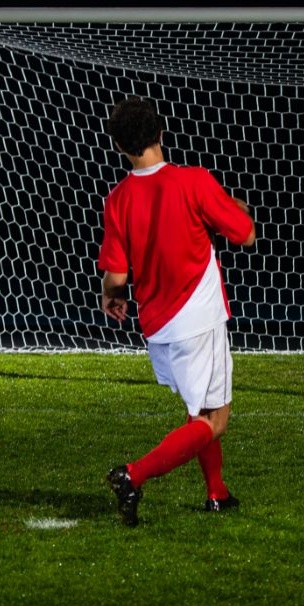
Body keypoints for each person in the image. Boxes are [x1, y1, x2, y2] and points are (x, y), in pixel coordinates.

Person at [98, 97, 256, 526]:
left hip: (156, 327)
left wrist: (110, 296)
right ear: (161, 134)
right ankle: (133, 475)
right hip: (198, 319)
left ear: (119, 147)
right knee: (215, 420)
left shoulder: (117, 200)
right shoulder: (194, 181)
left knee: (196, 410)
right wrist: (235, 208)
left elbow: (116, 274)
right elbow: (244, 234)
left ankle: (217, 493)